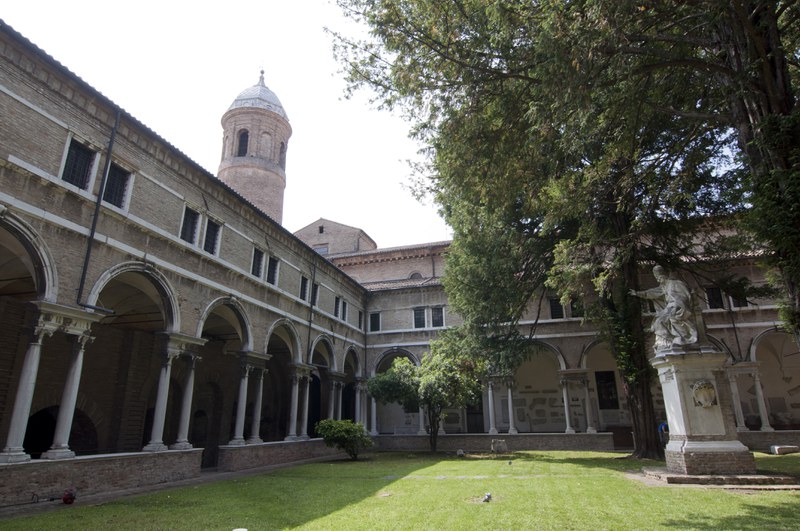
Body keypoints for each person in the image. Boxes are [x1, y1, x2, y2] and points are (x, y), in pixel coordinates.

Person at [629, 265, 698, 351]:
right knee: (658, 321)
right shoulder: (664, 287)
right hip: (670, 307)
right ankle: (665, 342)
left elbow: (685, 296)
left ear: (664, 276)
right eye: (657, 278)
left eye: (659, 278)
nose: (658, 280)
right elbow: (652, 292)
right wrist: (637, 293)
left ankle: (681, 338)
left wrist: (679, 304)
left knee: (669, 318)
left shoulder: (675, 283)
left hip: (678, 306)